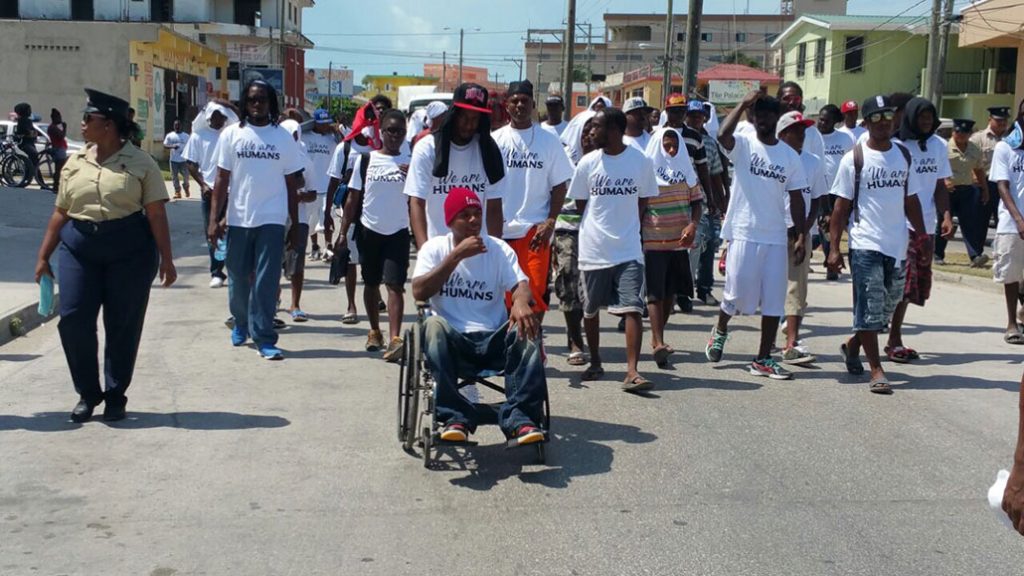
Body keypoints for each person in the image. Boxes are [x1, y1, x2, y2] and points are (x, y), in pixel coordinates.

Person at [33, 88, 176, 422]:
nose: (81, 125)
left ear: (108, 125)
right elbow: (61, 212)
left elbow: (155, 213)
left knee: (122, 323)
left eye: (88, 119)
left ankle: (115, 394)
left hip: (129, 250)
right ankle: (87, 392)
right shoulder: (75, 162)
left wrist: (166, 259)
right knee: (73, 319)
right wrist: (43, 257)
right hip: (79, 248)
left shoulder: (142, 163)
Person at [411, 187, 547, 446]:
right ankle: (454, 417)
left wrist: (519, 302)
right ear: (450, 221)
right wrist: (456, 256)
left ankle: (521, 419)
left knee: (528, 325)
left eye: (477, 213)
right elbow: (419, 291)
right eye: (465, 215)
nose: (474, 220)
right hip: (453, 344)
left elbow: (521, 286)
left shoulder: (497, 249)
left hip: (492, 341)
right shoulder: (435, 248)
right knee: (432, 325)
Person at [827, 94, 929, 394]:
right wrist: (834, 247)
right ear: (866, 122)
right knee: (870, 306)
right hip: (865, 242)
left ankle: (853, 344)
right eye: (876, 117)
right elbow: (840, 209)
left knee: (887, 307)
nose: (883, 123)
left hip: (897, 243)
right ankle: (876, 369)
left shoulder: (903, 155)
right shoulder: (854, 158)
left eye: (888, 117)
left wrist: (921, 237)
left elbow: (911, 200)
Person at [707, 92, 807, 380]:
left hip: (775, 236)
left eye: (768, 115)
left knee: (774, 300)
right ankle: (721, 329)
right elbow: (722, 134)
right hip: (743, 231)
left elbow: (797, 197)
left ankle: (762, 359)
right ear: (753, 117)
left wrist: (800, 235)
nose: (763, 120)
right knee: (736, 295)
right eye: (758, 115)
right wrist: (742, 104)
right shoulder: (744, 145)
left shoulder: (789, 156)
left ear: (777, 119)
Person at [207, 79, 303, 361]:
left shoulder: (283, 137)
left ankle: (264, 337)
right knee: (237, 277)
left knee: (266, 280)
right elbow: (221, 179)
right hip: (238, 218)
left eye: (262, 99)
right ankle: (240, 321)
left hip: (272, 218)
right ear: (245, 103)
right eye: (252, 99)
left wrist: (294, 225)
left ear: (271, 103)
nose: (257, 104)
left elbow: (291, 184)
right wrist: (215, 219)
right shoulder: (231, 135)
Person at [569, 108, 659, 392]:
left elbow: (644, 201)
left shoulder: (640, 162)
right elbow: (583, 205)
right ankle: (595, 361)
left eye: (596, 126)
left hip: (629, 249)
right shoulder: (587, 163)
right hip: (594, 249)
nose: (590, 132)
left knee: (633, 307)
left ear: (614, 130)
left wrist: (627, 225)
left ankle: (632, 371)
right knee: (591, 309)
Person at [492, 80, 575, 324]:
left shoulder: (548, 141)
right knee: (506, 293)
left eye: (524, 101)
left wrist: (551, 220)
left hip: (535, 229)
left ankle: (533, 343)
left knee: (535, 290)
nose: (519, 105)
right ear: (507, 105)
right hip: (502, 228)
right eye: (515, 101)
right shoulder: (495, 140)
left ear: (533, 105)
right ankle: (512, 347)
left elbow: (560, 185)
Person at [885, 97, 954, 364]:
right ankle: (892, 338)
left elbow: (939, 184)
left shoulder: (938, 145)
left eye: (930, 116)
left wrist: (946, 215)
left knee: (914, 287)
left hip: (927, 225)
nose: (926, 121)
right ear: (911, 117)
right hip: (901, 225)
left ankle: (882, 336)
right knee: (903, 284)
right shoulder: (898, 145)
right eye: (921, 116)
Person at [339, 109, 412, 361]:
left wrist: (412, 174)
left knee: (394, 284)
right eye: (390, 130)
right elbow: (352, 198)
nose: (395, 135)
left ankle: (394, 338)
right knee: (370, 283)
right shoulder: (366, 160)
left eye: (400, 131)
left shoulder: (411, 161)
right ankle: (374, 331)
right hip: (369, 230)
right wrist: (342, 231)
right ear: (381, 132)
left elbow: (421, 197)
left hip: (398, 232)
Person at [405, 82, 507, 247]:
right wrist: (424, 250)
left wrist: (495, 252)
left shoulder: (490, 152)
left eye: (475, 119)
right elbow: (417, 202)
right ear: (453, 114)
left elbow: (494, 207)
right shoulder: (427, 148)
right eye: (464, 117)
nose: (469, 125)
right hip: (439, 251)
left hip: (477, 250)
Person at [642, 127, 700, 368]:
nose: (671, 149)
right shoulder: (646, 170)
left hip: (679, 241)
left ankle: (659, 336)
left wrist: (692, 225)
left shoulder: (687, 170)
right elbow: (640, 203)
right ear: (658, 144)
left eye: (675, 146)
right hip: (653, 239)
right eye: (666, 145)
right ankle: (658, 342)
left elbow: (697, 202)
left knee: (670, 293)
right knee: (655, 292)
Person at [776, 111, 828, 365]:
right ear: (782, 134)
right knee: (770, 288)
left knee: (797, 288)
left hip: (800, 234)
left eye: (803, 131)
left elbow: (817, 200)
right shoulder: (771, 159)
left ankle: (791, 343)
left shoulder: (814, 162)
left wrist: (803, 232)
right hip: (772, 233)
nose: (801, 135)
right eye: (796, 131)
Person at [553, 117, 597, 367]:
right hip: (567, 229)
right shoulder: (565, 160)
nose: (590, 136)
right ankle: (575, 340)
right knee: (568, 280)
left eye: (594, 131)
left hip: (597, 232)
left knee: (590, 289)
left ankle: (590, 336)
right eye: (585, 131)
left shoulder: (608, 161)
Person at [183, 100, 239, 289]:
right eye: (215, 116)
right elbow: (190, 163)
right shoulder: (198, 137)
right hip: (210, 192)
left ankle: (232, 269)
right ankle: (216, 271)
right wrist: (202, 184)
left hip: (231, 191)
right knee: (212, 231)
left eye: (222, 116)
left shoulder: (230, 134)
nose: (219, 120)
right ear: (208, 118)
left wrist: (228, 104)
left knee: (232, 232)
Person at [990, 99, 1024, 344]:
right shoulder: (1006, 147)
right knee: (1011, 275)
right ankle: (1012, 322)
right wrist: (1019, 219)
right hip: (1012, 224)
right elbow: (1002, 186)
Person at [280, 119, 319, 323]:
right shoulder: (275, 157)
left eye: (295, 135)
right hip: (274, 217)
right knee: (273, 262)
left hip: (300, 219)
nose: (292, 138)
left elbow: (313, 193)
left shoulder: (305, 162)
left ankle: (295, 304)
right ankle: (274, 300)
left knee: (296, 263)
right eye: (288, 134)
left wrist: (301, 197)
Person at [941, 118, 990, 267]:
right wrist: (944, 181)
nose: (961, 135)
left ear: (970, 134)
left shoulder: (974, 148)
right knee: (943, 224)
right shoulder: (943, 147)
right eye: (958, 131)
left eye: (965, 132)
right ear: (952, 132)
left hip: (966, 189)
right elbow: (936, 168)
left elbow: (979, 169)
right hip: (946, 190)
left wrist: (985, 189)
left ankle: (975, 256)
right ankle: (937, 254)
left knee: (969, 223)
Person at [694, 102, 728, 305]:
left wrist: (722, 199)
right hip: (679, 203)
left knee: (708, 247)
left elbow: (716, 173)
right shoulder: (673, 138)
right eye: (692, 115)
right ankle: (678, 293)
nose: (696, 119)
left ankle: (704, 289)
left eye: (700, 116)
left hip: (706, 202)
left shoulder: (709, 142)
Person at [817, 104, 856, 280]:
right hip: (818, 190)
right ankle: (828, 257)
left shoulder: (845, 139)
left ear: (834, 121)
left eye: (826, 120)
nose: (821, 123)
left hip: (839, 190)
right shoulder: (813, 138)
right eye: (820, 119)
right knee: (822, 227)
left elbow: (853, 163)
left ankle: (831, 263)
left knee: (831, 226)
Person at [972, 105, 1010, 253]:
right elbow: (971, 163)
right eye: (998, 120)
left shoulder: (1012, 138)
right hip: (985, 183)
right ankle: (976, 254)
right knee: (981, 221)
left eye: (1004, 120)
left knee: (1004, 220)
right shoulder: (978, 138)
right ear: (990, 119)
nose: (1002, 123)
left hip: (1006, 184)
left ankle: (1002, 251)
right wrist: (979, 185)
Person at [303, 108, 338, 261]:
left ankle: (328, 247)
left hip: (326, 186)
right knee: (310, 221)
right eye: (321, 123)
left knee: (326, 218)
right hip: (310, 186)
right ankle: (315, 247)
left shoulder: (332, 139)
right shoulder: (305, 136)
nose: (325, 126)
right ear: (315, 123)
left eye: (327, 123)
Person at [777, 81, 825, 161]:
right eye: (787, 98)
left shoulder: (813, 132)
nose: (791, 102)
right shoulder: (770, 128)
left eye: (796, 99)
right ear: (778, 100)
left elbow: (820, 166)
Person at [560, 95, 611, 163]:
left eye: (594, 133)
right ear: (578, 131)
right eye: (586, 132)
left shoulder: (609, 159)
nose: (590, 136)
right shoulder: (565, 158)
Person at [162, 120, 190, 199]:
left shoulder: (186, 136)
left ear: (181, 126)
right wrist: (172, 146)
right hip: (173, 160)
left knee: (186, 176)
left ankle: (186, 187)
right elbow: (165, 145)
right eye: (175, 125)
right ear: (174, 126)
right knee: (174, 176)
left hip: (184, 160)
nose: (177, 127)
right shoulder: (170, 135)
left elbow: (190, 147)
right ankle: (177, 191)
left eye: (178, 125)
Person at [13, 102, 39, 184]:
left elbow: (33, 131)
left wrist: (32, 133)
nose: (30, 111)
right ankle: (35, 179)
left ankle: (28, 176)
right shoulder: (22, 120)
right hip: (24, 143)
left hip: (30, 142)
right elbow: (27, 131)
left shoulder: (28, 120)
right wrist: (31, 133)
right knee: (34, 157)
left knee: (34, 160)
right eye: (28, 110)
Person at [47, 108, 68, 191]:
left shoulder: (53, 127)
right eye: (58, 117)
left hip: (59, 149)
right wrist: (65, 127)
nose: (60, 119)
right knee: (59, 169)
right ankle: (56, 186)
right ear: (54, 118)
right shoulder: (53, 127)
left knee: (59, 168)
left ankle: (56, 186)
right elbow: (61, 136)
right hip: (58, 150)